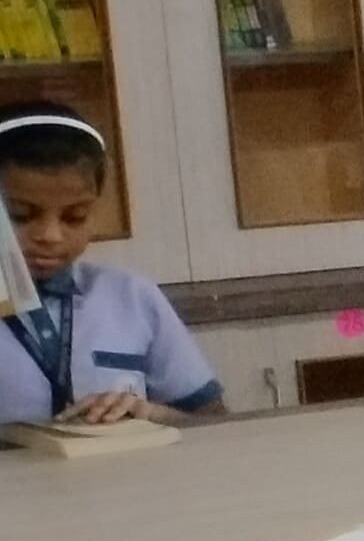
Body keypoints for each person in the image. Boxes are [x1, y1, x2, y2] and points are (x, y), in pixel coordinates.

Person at [0, 105, 219, 427]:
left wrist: (153, 414)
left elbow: (215, 422)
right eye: (20, 215)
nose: (50, 236)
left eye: (75, 217)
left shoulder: (131, 296)